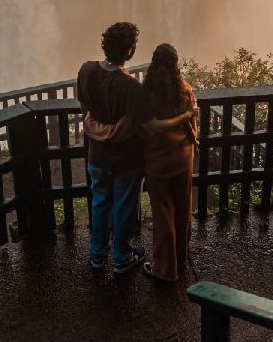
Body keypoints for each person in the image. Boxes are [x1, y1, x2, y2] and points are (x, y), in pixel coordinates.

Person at [77, 23, 191, 274]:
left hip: (96, 156)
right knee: (123, 208)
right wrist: (184, 118)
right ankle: (121, 257)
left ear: (105, 45)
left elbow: (85, 108)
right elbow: (152, 127)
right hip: (125, 160)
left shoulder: (86, 70)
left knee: (99, 203)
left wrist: (97, 130)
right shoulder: (131, 87)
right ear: (129, 51)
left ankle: (97, 255)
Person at [139, 43, 197, 282]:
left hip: (157, 161)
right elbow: (192, 124)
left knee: (163, 213)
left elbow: (142, 128)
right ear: (176, 65)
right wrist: (194, 140)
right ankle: (181, 260)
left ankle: (165, 269)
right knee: (183, 208)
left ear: (153, 64)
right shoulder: (184, 90)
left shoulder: (144, 94)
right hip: (183, 156)